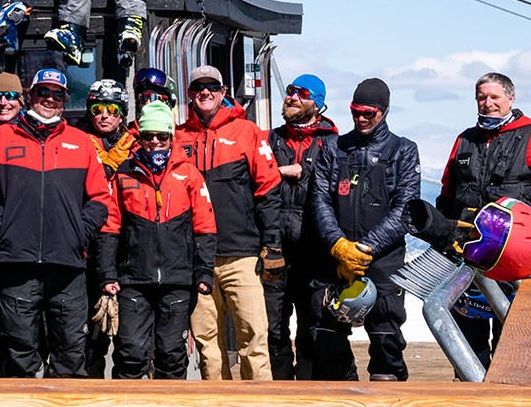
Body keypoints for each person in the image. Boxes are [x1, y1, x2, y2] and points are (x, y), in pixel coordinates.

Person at [0, 68, 113, 377]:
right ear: (30, 96)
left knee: (71, 347)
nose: (49, 99)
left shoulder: (82, 142)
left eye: (57, 94)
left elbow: (101, 198)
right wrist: (5, 231)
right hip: (16, 262)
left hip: (67, 263)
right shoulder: (1, 138)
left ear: (64, 100)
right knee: (18, 344)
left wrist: (79, 233)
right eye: (43, 92)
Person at [436, 71, 531, 368]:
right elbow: (447, 195)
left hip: (512, 259)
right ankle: (470, 400)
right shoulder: (465, 140)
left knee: (511, 341)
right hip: (468, 255)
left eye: (495, 97)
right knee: (468, 343)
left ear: (510, 98)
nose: (488, 104)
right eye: (481, 98)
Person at [305, 77, 418, 382]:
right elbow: (320, 199)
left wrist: (363, 249)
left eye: (369, 113)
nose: (361, 119)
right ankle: (344, 403)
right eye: (356, 112)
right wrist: (339, 246)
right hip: (334, 258)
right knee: (327, 338)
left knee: (386, 339)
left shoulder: (403, 151)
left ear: (384, 111)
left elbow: (405, 209)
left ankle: (387, 405)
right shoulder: (333, 147)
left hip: (382, 261)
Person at [174, 65, 282, 381]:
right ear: (190, 95)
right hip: (198, 259)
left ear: (223, 93)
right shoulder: (178, 137)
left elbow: (269, 191)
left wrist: (272, 244)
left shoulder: (247, 132)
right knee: (208, 345)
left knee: (254, 337)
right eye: (198, 88)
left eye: (212, 87)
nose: (204, 92)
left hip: (243, 255)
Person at [98, 100, 216, 379]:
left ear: (171, 137)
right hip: (133, 280)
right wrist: (107, 274)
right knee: (130, 352)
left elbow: (205, 225)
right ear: (140, 138)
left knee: (171, 353)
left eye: (161, 136)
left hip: (178, 279)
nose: (154, 142)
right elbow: (110, 225)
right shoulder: (124, 173)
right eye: (148, 135)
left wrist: (204, 272)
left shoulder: (189, 174)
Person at [266, 74, 338, 380]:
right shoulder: (270, 140)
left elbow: (338, 191)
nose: (292, 97)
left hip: (314, 251)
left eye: (302, 93)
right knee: (273, 327)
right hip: (274, 249)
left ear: (317, 105)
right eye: (290, 91)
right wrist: (280, 171)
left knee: (313, 325)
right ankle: (280, 391)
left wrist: (303, 172)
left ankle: (308, 390)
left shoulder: (334, 144)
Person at [82, 78, 136, 377]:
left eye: (112, 109)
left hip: (129, 246)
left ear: (122, 113)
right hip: (91, 246)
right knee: (92, 336)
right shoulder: (77, 145)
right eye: (98, 108)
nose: (104, 115)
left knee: (133, 340)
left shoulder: (138, 146)